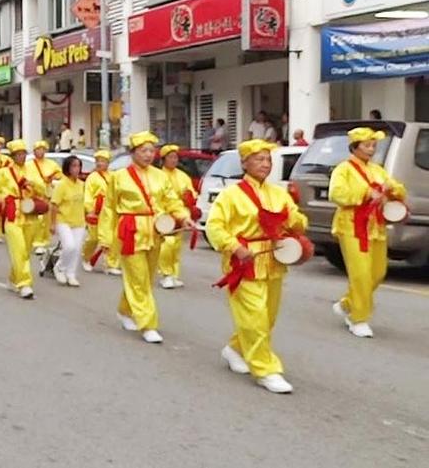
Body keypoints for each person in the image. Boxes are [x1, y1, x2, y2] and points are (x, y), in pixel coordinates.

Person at [206, 139, 308, 394]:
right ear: (244, 163)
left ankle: (235, 349)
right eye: (259, 159)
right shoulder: (231, 195)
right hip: (245, 260)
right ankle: (266, 369)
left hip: (272, 259)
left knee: (268, 316)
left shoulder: (278, 193)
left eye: (268, 160)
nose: (265, 164)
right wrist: (235, 247)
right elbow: (215, 227)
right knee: (255, 317)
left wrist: (292, 220)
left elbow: (298, 222)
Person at [95, 132, 192, 344]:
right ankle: (148, 324)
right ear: (133, 153)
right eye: (143, 151)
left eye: (151, 150)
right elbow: (109, 209)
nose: (148, 155)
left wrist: (183, 216)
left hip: (154, 230)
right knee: (138, 278)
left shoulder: (160, 176)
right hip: (130, 231)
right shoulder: (119, 177)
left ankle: (125, 309)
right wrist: (105, 238)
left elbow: (171, 201)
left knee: (145, 279)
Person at [328, 127, 407, 338]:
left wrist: (392, 191)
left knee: (378, 272)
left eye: (373, 146)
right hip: (352, 226)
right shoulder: (343, 169)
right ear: (355, 147)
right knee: (361, 274)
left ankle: (348, 303)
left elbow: (396, 187)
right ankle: (358, 318)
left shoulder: (377, 170)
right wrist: (365, 193)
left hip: (376, 226)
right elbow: (337, 194)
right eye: (367, 145)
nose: (371, 149)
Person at [0, 140, 47, 299]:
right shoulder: (4, 172)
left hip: (30, 212)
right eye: (18, 154)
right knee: (18, 248)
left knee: (26, 251)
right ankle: (24, 284)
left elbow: (44, 189)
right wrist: (0, 197)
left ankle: (13, 278)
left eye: (23, 154)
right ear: (12, 156)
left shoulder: (32, 170)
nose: (21, 157)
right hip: (13, 213)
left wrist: (32, 184)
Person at [157, 144, 199, 289]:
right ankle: (166, 274)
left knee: (176, 246)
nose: (174, 160)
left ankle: (174, 274)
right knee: (167, 245)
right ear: (163, 159)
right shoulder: (158, 176)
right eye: (170, 157)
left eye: (176, 157)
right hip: (165, 214)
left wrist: (190, 198)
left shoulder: (183, 176)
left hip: (181, 214)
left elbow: (192, 192)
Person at [49, 155, 86, 287]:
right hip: (63, 220)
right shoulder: (62, 185)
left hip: (79, 221)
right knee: (69, 246)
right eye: (73, 166)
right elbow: (54, 205)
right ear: (67, 168)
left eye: (78, 166)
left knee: (76, 249)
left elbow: (85, 203)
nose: (76, 169)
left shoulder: (82, 185)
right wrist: (52, 224)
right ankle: (59, 267)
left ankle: (71, 274)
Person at [25, 140, 63, 255]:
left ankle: (43, 241)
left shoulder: (51, 164)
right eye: (37, 149)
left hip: (47, 194)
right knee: (35, 220)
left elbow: (59, 175)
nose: (40, 152)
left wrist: (52, 177)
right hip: (32, 195)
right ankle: (35, 241)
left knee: (46, 220)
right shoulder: (28, 164)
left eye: (42, 149)